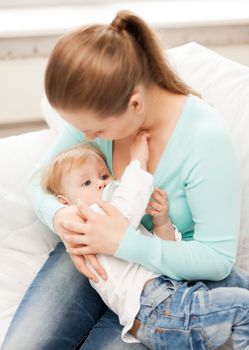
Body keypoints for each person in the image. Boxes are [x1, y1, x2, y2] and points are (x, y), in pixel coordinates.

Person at [2, 9, 248, 350]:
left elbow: (217, 259)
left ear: (135, 104)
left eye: (97, 130)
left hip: (161, 283)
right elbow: (39, 180)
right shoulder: (96, 111)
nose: (86, 136)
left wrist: (122, 242)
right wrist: (62, 217)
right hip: (94, 259)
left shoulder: (204, 138)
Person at [40, 136, 249, 349]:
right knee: (245, 306)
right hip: (159, 308)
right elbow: (129, 204)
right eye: (87, 183)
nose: (101, 183)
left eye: (104, 175)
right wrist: (138, 161)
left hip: (169, 303)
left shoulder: (115, 220)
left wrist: (162, 222)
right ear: (64, 202)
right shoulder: (87, 221)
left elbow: (166, 256)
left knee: (239, 286)